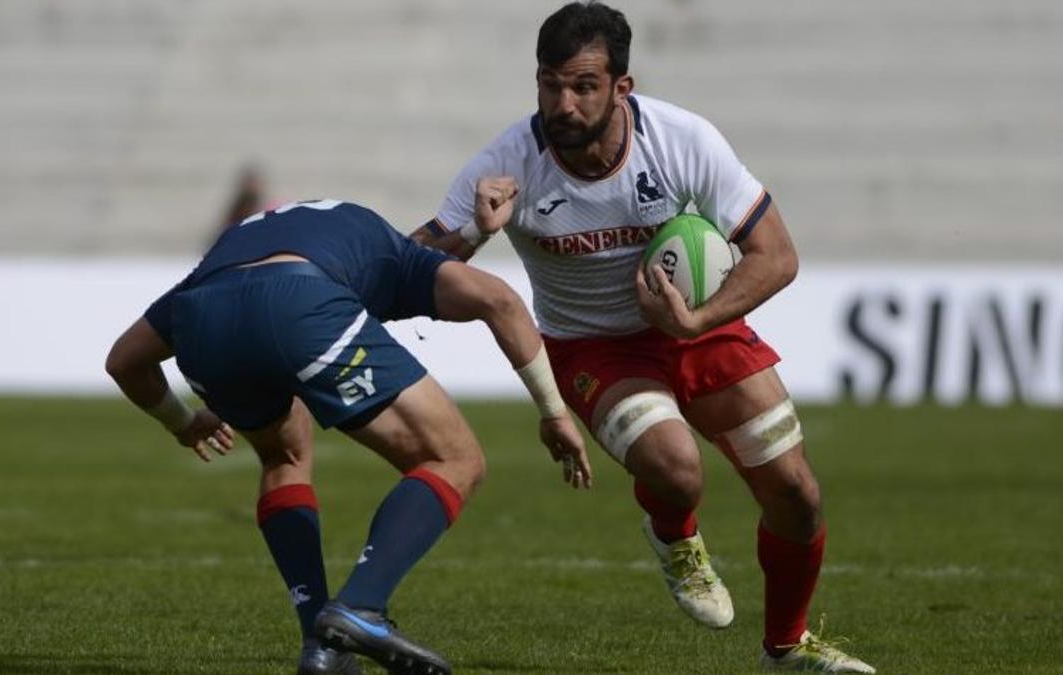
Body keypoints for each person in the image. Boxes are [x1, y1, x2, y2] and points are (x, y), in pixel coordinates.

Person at [411, 2, 874, 672]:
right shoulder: (508, 162)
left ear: (621, 87)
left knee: (797, 493)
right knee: (677, 469)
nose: (561, 103)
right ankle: (674, 535)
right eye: (548, 83)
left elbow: (776, 255)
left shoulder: (682, 139)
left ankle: (786, 647)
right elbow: (416, 263)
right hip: (593, 344)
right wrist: (478, 232)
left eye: (582, 86)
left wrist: (695, 320)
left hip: (699, 327)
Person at [106, 193, 592, 675]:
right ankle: (361, 605)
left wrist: (185, 422)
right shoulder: (392, 254)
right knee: (454, 460)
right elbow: (499, 300)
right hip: (300, 302)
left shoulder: (261, 243)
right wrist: (554, 412)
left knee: (283, 459)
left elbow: (124, 360)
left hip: (203, 320)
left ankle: (322, 646)